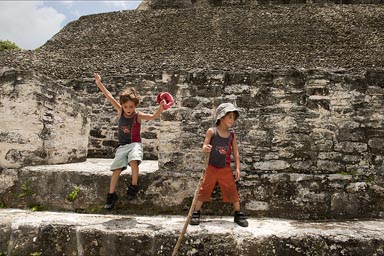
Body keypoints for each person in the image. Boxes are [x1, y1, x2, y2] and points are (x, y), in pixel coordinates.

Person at [94, 73, 164, 210]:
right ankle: (111, 194)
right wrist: (99, 83)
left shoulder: (138, 116)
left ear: (135, 106)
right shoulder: (120, 112)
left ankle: (134, 186)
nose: (128, 110)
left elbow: (153, 116)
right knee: (116, 169)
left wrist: (160, 108)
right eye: (126, 107)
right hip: (122, 146)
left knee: (133, 160)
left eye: (131, 107)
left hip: (135, 144)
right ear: (122, 106)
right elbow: (109, 96)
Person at [190, 102, 248, 227]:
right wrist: (206, 148)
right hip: (211, 167)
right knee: (204, 189)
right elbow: (204, 146)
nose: (232, 120)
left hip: (225, 168)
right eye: (229, 117)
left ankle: (238, 214)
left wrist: (238, 168)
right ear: (221, 117)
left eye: (233, 117)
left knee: (232, 190)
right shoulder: (212, 131)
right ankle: (196, 212)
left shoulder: (231, 135)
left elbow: (236, 152)